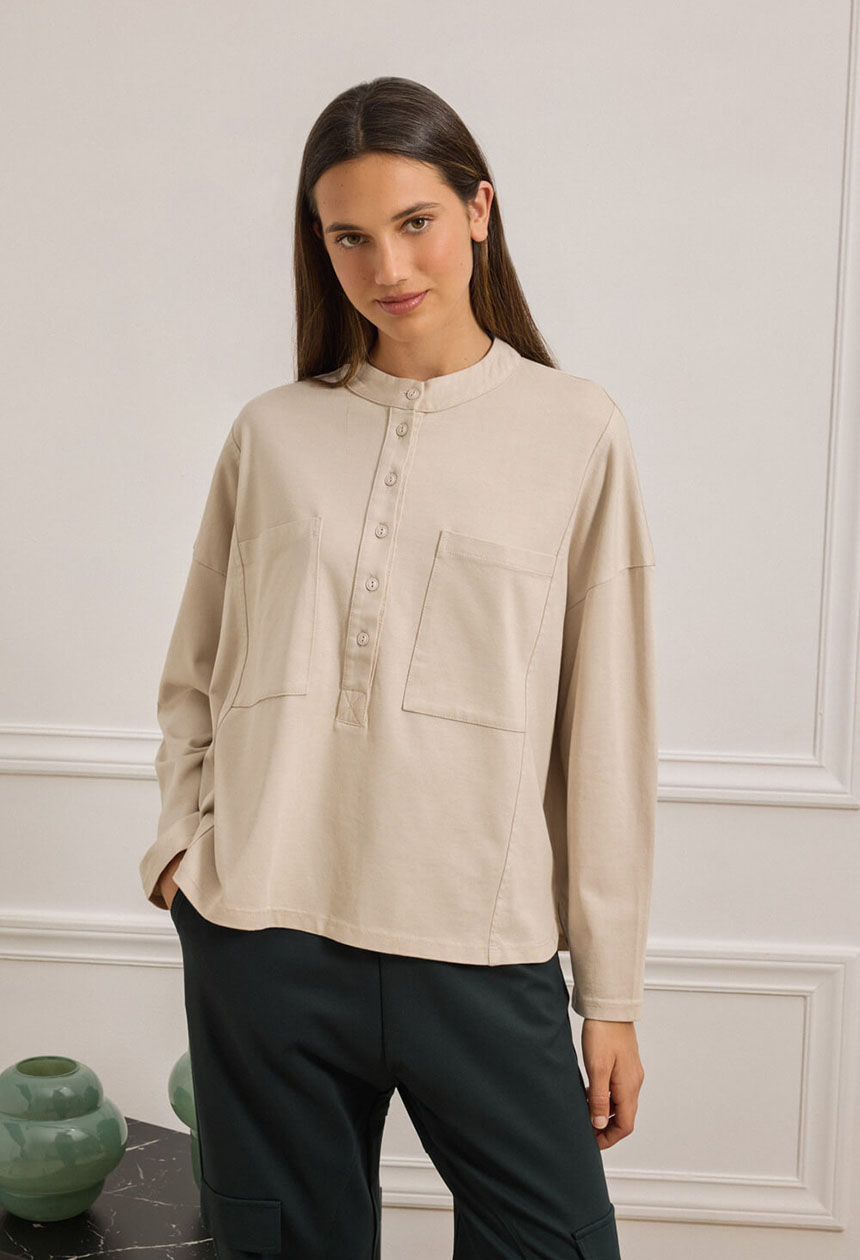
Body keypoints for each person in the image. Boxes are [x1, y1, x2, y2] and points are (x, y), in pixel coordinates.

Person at [140, 75, 657, 1260]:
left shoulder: (576, 429)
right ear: (318, 246)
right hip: (264, 933)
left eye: (414, 221)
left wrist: (611, 995)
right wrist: (182, 858)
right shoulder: (273, 433)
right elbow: (195, 675)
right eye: (349, 237)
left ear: (478, 210)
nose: (387, 266)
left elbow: (607, 729)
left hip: (477, 942)